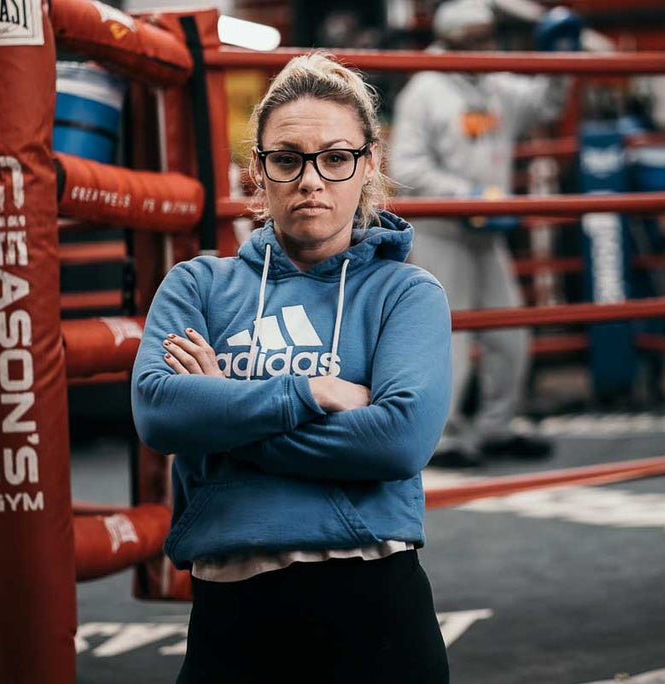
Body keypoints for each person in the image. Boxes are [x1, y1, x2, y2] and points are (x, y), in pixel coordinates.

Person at [132, 53, 452, 683]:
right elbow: (160, 412)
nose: (312, 180)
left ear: (369, 166)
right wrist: (309, 391)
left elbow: (395, 440)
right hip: (232, 612)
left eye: (335, 158)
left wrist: (225, 410)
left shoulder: (405, 292)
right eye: (287, 159)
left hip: (375, 605)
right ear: (258, 170)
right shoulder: (197, 285)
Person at [390, 0, 577, 466]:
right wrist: (467, 194)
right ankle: (442, 436)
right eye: (476, 35)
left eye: (488, 34)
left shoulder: (495, 81)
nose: (486, 42)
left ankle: (498, 426)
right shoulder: (425, 90)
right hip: (441, 230)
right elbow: (405, 167)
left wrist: (561, 59)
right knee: (447, 336)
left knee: (509, 330)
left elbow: (546, 102)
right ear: (451, 37)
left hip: (487, 230)